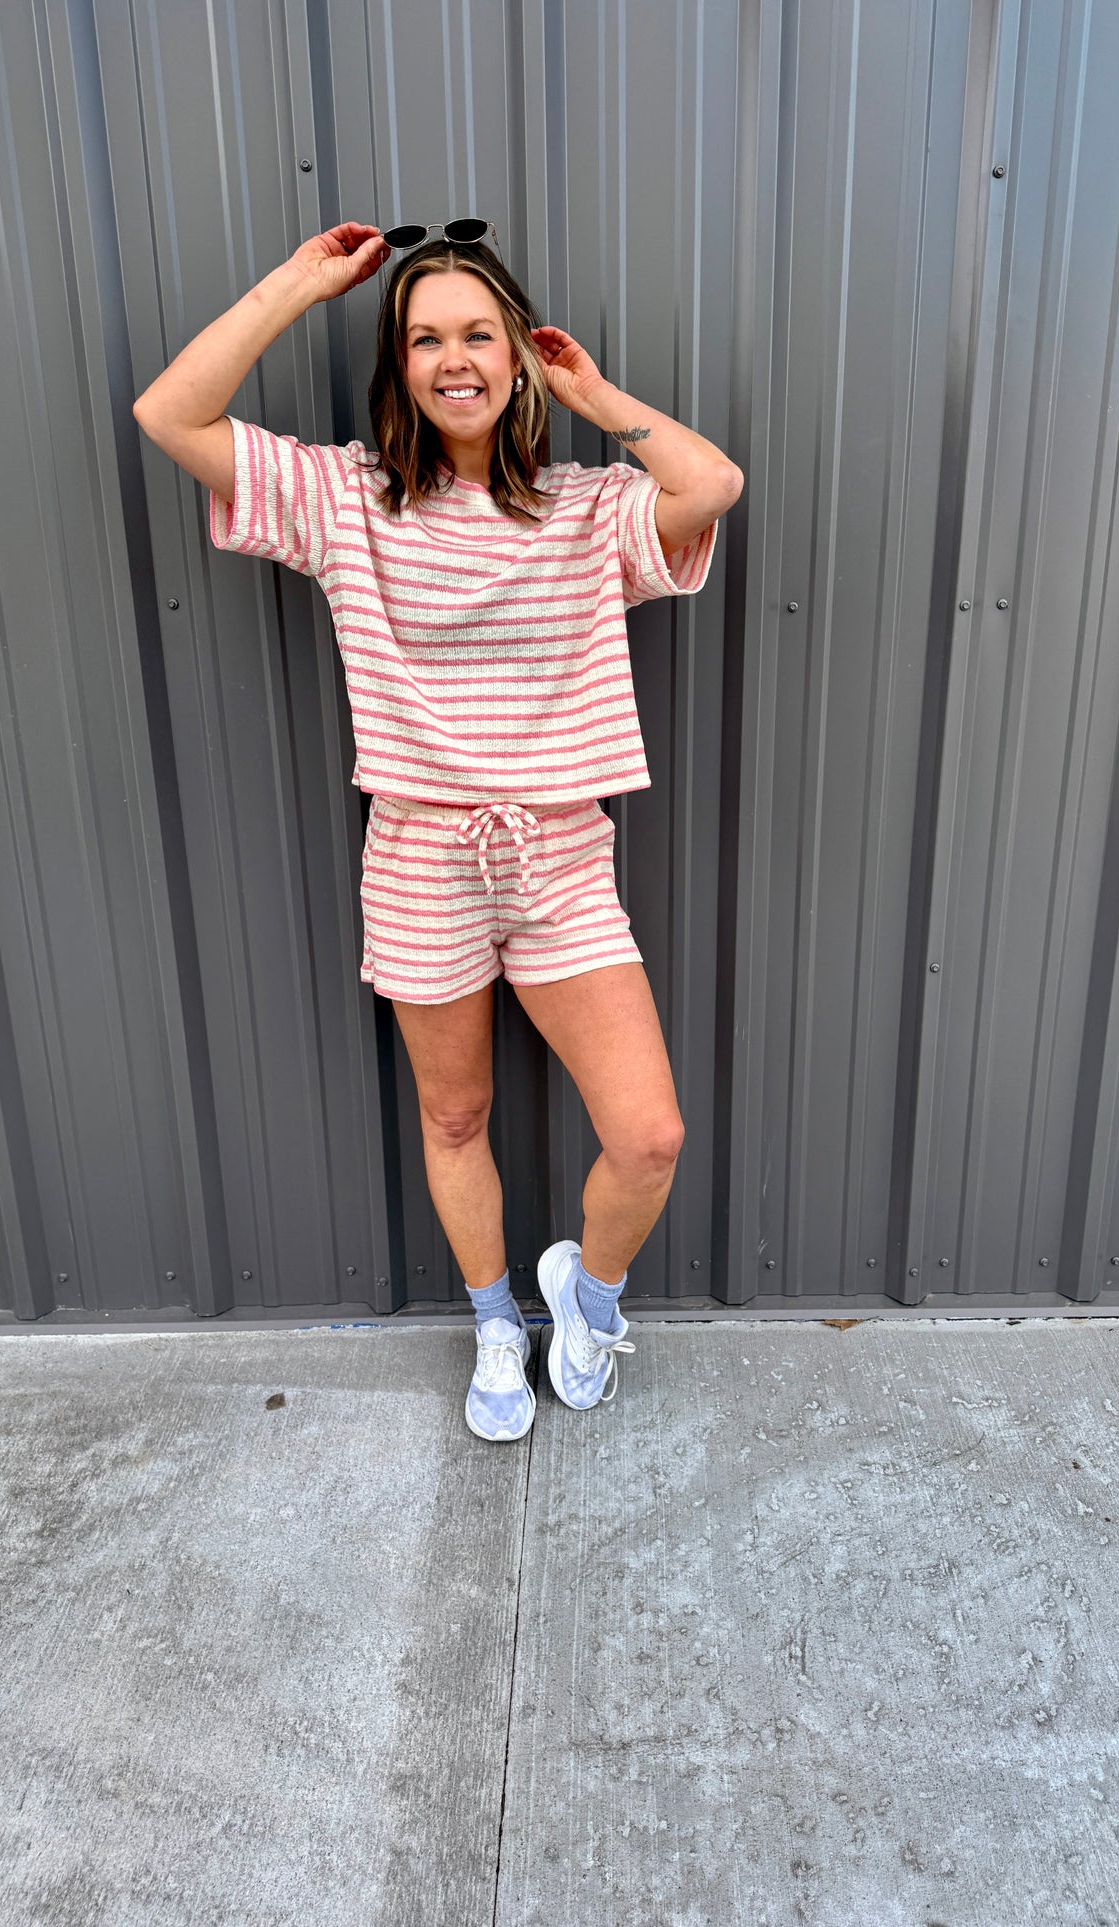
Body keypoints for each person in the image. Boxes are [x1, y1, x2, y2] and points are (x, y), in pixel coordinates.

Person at [133, 219, 742, 1444]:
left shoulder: (584, 511)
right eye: (425, 337)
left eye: (478, 334)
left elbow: (709, 484)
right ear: (397, 363)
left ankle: (588, 1291)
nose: (452, 358)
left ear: (516, 356)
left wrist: (594, 391)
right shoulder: (344, 500)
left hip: (561, 857)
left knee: (649, 1133)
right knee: (452, 1116)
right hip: (421, 859)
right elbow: (171, 415)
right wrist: (303, 285)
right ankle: (489, 1324)